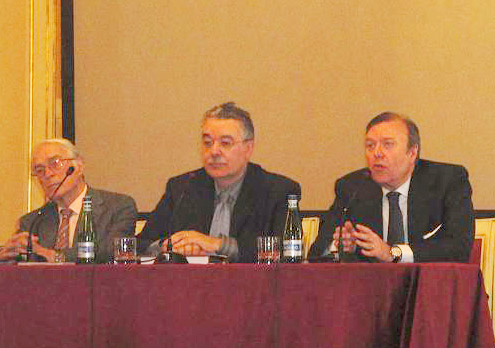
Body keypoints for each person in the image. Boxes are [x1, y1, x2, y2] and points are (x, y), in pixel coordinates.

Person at [138, 102, 301, 263]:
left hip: (254, 287)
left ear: (248, 148)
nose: (214, 151)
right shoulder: (182, 188)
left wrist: (218, 244)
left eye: (225, 143)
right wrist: (170, 245)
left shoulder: (277, 191)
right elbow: (141, 244)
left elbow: (286, 251)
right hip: (189, 286)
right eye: (207, 143)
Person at [310, 112, 474, 263]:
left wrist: (393, 252)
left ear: (412, 152)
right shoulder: (352, 187)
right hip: (375, 290)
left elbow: (459, 248)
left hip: (429, 287)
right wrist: (341, 246)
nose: (377, 153)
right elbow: (316, 253)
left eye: (387, 144)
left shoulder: (447, 182)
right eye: (370, 146)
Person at [0, 139, 137, 263]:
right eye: (39, 170)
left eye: (55, 163)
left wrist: (51, 255)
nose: (47, 174)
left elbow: (110, 250)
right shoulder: (31, 222)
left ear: (79, 166)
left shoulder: (118, 207)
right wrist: (7, 256)